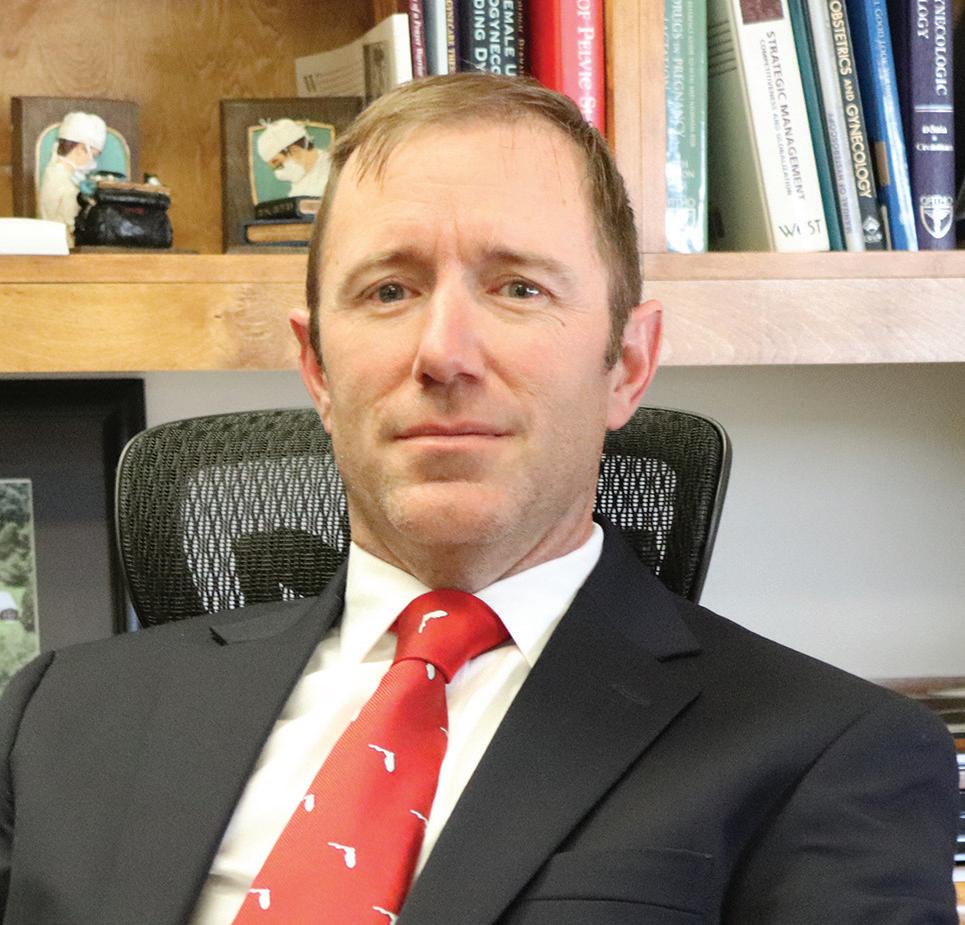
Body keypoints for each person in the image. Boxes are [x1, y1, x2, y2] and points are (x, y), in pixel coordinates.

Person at [0, 73, 957, 924]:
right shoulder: (59, 717)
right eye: (388, 290)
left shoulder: (826, 752)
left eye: (518, 288)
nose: (444, 353)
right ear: (317, 368)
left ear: (626, 364)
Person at [37, 111, 106, 245]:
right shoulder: (61, 180)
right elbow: (72, 227)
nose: (92, 161)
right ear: (81, 148)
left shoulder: (58, 172)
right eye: (93, 155)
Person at [255, 118, 331, 198]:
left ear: (295, 150)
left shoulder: (333, 169)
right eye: (274, 167)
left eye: (278, 163)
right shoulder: (299, 184)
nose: (278, 174)